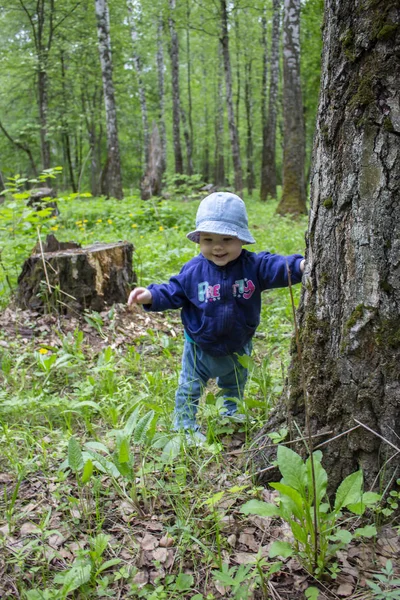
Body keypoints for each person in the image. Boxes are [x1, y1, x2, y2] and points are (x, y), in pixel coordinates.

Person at [128, 192, 305, 443]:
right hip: (199, 345)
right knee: (189, 388)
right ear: (199, 239)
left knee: (234, 384)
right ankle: (185, 426)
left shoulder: (253, 266)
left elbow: (276, 266)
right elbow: (174, 290)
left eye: (226, 239)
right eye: (208, 239)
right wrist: (150, 295)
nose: (217, 247)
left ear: (241, 238)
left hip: (238, 343)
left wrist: (299, 266)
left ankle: (230, 414)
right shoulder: (194, 270)